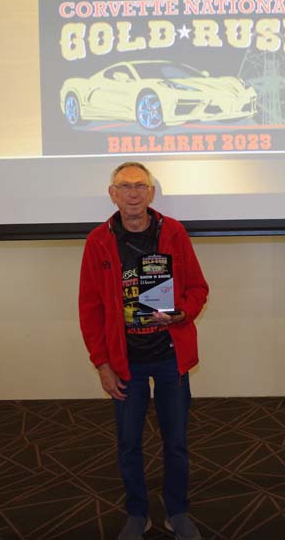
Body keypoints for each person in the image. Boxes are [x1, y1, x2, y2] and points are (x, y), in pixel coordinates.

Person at [79, 162, 208, 540]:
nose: (133, 193)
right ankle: (137, 514)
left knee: (176, 442)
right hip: (125, 361)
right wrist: (101, 363)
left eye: (140, 186)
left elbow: (198, 288)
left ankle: (177, 511)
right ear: (112, 194)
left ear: (151, 193)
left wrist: (181, 313)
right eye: (125, 186)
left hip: (170, 354)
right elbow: (89, 308)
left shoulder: (174, 232)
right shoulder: (98, 241)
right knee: (129, 442)